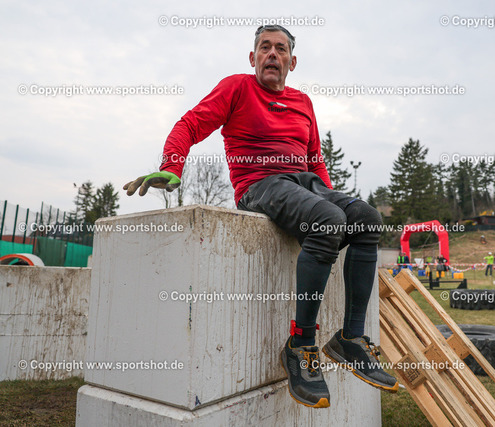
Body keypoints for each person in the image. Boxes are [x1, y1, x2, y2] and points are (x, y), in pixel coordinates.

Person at [122, 25, 398, 408]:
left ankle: (350, 339)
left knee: (366, 217)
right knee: (328, 219)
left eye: (280, 49)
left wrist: (331, 201)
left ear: (292, 62)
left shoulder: (303, 102)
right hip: (260, 184)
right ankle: (301, 346)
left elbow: (315, 161)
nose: (272, 54)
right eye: (264, 48)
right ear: (252, 58)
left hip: (303, 184)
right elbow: (190, 124)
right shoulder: (237, 87)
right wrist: (172, 166)